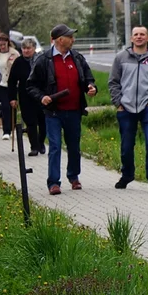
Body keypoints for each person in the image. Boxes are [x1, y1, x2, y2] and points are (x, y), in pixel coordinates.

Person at [27, 24, 97, 195]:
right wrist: (42, 97)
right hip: (53, 112)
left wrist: (91, 87)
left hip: (74, 110)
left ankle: (73, 177)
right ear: (60, 39)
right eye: (70, 37)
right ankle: (53, 183)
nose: (73, 39)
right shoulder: (44, 59)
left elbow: (88, 78)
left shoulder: (77, 58)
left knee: (74, 146)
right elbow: (31, 85)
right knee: (55, 146)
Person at [108, 26, 148, 193]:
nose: (139, 37)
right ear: (131, 38)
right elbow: (113, 82)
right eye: (136, 34)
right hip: (126, 108)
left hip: (147, 108)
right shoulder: (121, 58)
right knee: (127, 146)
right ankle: (127, 174)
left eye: (142, 34)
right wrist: (118, 103)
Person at [8, 38, 46, 155]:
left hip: (41, 95)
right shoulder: (18, 62)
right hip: (25, 96)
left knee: (43, 121)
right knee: (30, 122)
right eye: (24, 48)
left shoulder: (41, 60)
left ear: (34, 48)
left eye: (28, 48)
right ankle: (34, 147)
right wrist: (13, 98)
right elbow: (12, 81)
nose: (26, 51)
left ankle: (41, 142)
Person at [0, 35, 19, 141]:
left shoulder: (14, 53)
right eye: (0, 44)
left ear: (8, 43)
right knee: (5, 106)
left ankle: (13, 127)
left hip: (12, 84)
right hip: (1, 83)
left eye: (4, 44)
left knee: (13, 105)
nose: (2, 46)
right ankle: (6, 130)